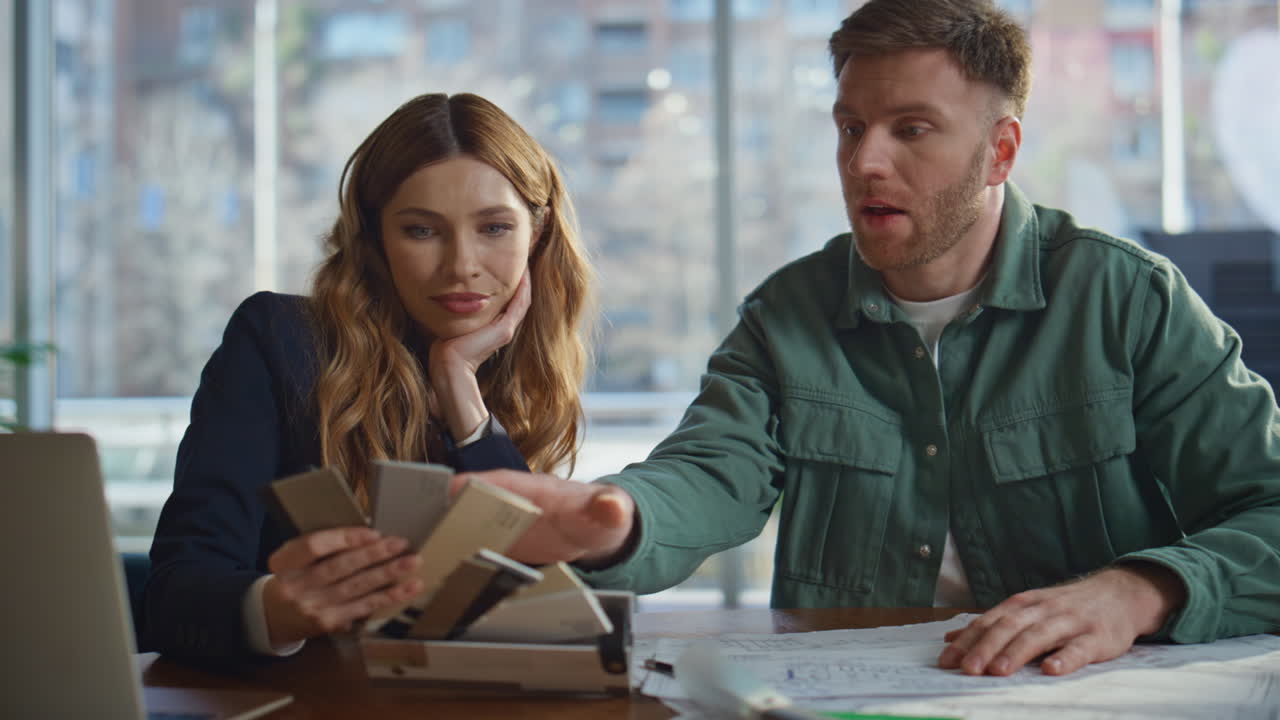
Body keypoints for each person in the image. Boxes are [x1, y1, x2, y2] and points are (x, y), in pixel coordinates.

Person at [464, 0, 1280, 679]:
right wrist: (616, 518)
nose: (865, 163)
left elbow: (1270, 509)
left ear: (1000, 152)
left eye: (911, 130)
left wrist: (1139, 591)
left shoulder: (1128, 300)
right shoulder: (786, 315)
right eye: (851, 127)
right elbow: (711, 473)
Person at [142, 92, 592, 661]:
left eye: (495, 228)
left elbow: (536, 607)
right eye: (422, 231)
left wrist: (459, 388)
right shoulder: (280, 341)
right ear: (375, 239)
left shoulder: (523, 370)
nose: (462, 265)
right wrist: (282, 608)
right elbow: (173, 598)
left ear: (539, 232)